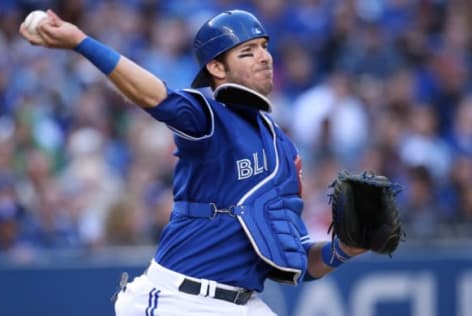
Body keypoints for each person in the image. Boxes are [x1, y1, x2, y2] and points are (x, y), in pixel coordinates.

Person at [20, 9, 366, 316]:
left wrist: (344, 249)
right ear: (216, 67)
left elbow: (295, 259)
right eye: (248, 51)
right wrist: (82, 42)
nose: (264, 57)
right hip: (178, 300)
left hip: (243, 304)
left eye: (264, 47)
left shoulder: (283, 147)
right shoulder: (210, 116)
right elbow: (156, 96)